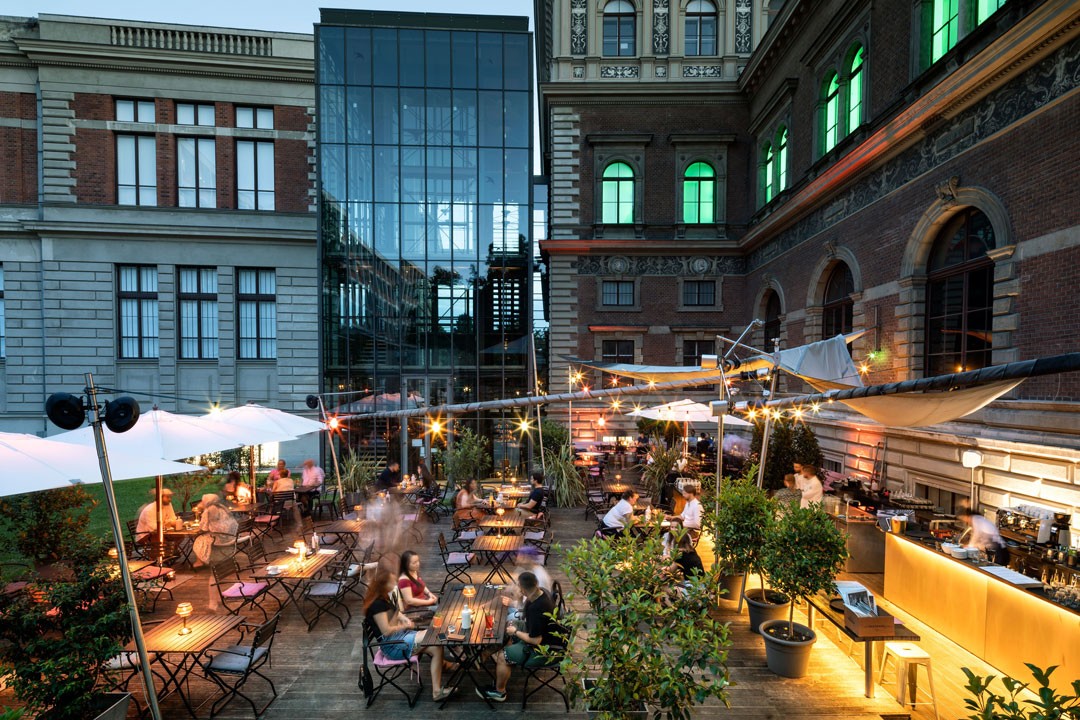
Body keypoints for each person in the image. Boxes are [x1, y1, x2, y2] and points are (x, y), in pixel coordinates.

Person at [363, 566, 454, 702]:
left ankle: (437, 691)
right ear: (382, 584)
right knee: (434, 633)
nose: (395, 585)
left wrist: (404, 618)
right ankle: (452, 660)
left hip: (399, 639)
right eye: (391, 582)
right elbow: (386, 631)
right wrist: (404, 626)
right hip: (393, 646)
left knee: (436, 646)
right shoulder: (376, 606)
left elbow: (395, 612)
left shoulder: (382, 598)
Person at [477, 571, 561, 703]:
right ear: (536, 583)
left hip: (546, 651)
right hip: (547, 637)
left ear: (522, 589)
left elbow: (536, 640)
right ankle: (486, 654)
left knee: (502, 656)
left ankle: (499, 692)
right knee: (507, 624)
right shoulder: (541, 592)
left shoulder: (537, 609)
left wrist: (516, 632)